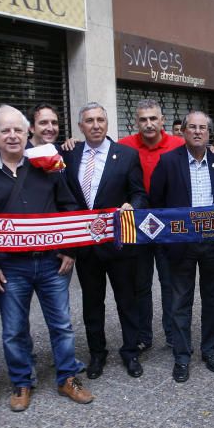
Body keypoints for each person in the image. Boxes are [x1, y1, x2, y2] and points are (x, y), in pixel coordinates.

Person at [0, 105, 93, 411]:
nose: (12, 136)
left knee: (62, 325)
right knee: (14, 330)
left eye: (17, 129)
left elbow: (69, 206)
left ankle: (67, 378)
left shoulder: (48, 164)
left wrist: (70, 249)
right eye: (5, 130)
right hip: (10, 265)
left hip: (53, 261)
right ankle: (21, 382)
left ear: (28, 133)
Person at [62, 102, 148, 378]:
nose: (96, 125)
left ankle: (131, 352)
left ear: (107, 123)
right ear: (80, 126)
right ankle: (97, 354)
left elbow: (139, 193)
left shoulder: (126, 155)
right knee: (92, 303)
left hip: (119, 244)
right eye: (89, 121)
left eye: (100, 119)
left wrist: (132, 206)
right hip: (85, 247)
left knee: (127, 300)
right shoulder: (69, 155)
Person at [149, 111, 214, 382]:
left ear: (209, 133)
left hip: (213, 245)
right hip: (179, 246)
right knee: (180, 302)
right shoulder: (168, 162)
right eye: (192, 127)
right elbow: (155, 204)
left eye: (202, 128)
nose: (197, 132)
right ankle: (182, 356)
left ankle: (210, 351)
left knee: (213, 300)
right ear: (183, 132)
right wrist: (162, 243)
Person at [119, 99, 184, 353]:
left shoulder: (179, 145)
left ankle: (171, 334)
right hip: (136, 228)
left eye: (153, 118)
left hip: (168, 226)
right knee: (141, 285)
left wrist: (212, 150)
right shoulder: (123, 147)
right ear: (136, 121)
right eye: (143, 119)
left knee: (170, 283)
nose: (148, 124)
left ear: (162, 120)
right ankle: (143, 335)